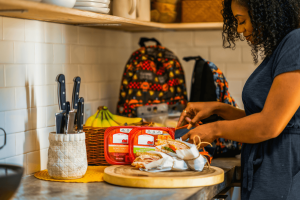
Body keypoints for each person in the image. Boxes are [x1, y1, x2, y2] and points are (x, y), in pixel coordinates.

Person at [177, 0, 300, 199]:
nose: (240, 30)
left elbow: (269, 125)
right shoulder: (281, 48)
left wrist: (214, 129)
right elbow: (265, 116)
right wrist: (219, 109)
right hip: (270, 167)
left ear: (264, 13)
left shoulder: (296, 42)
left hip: (283, 172)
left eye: (242, 21)